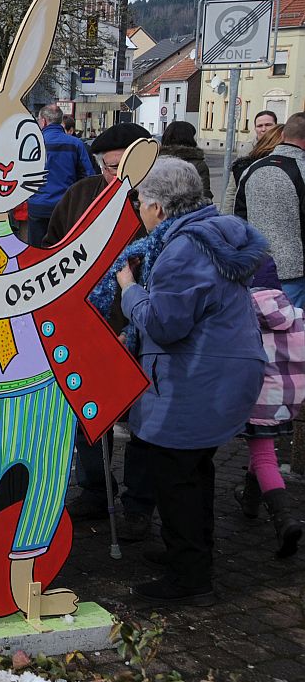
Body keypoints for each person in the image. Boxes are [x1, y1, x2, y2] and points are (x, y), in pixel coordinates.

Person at [107, 157, 266, 604]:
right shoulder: (211, 233)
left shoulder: (182, 250)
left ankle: (190, 578)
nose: (137, 209)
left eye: (139, 201)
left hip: (201, 377)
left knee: (175, 474)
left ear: (158, 208)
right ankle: (192, 554)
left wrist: (129, 289)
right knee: (194, 469)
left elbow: (165, 323)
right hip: (222, 372)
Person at [44, 122, 156, 539]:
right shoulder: (81, 194)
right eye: (108, 168)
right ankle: (95, 488)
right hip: (83, 323)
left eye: (121, 167)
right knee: (87, 414)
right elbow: (51, 246)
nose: (115, 177)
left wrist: (132, 325)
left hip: (139, 325)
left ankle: (139, 503)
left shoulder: (156, 201)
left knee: (142, 419)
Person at [231, 256, 305, 558]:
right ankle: (249, 501)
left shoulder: (241, 314)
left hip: (255, 398)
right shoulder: (296, 313)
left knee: (262, 455)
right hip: (287, 399)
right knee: (262, 450)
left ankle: (284, 520)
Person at [235, 112, 305, 309]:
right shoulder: (301, 168)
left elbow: (238, 216)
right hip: (294, 271)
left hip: (256, 266)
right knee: (293, 334)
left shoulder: (251, 169)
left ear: (282, 136)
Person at [27, 103, 95, 247]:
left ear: (43, 121)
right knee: (62, 250)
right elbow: (89, 177)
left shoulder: (32, 144)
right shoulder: (76, 144)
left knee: (36, 253)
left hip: (38, 207)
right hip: (66, 208)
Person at [224, 123, 284, 214]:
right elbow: (232, 193)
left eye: (268, 125)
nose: (264, 129)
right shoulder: (248, 167)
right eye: (259, 126)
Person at [159, 121, 211, 199]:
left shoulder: (157, 163)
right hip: (190, 210)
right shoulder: (198, 165)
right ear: (189, 139)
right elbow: (204, 196)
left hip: (157, 210)